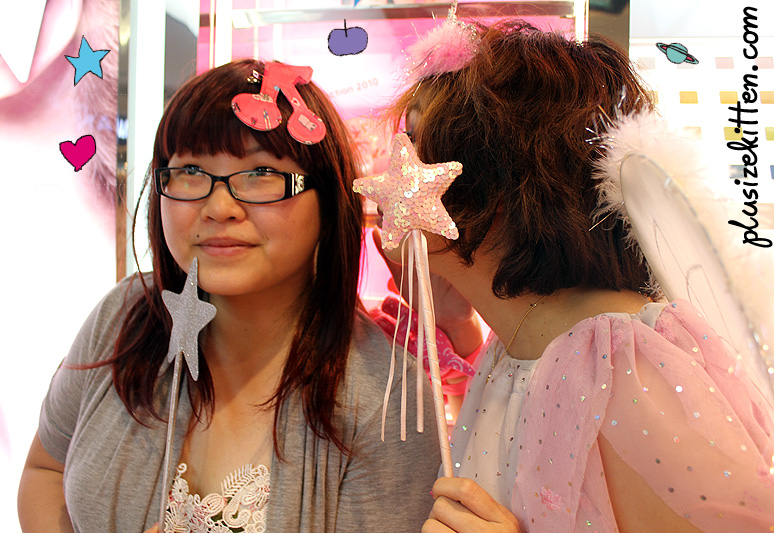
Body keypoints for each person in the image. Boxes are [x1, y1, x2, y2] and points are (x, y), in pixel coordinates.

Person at [378, 20, 774, 532]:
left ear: (495, 183)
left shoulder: (623, 365)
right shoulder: (519, 344)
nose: (387, 169)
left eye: (413, 143)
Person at [18, 59, 440, 533]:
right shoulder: (125, 316)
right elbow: (45, 470)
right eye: (190, 170)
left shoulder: (387, 402)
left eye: (260, 172)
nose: (219, 208)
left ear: (327, 199)